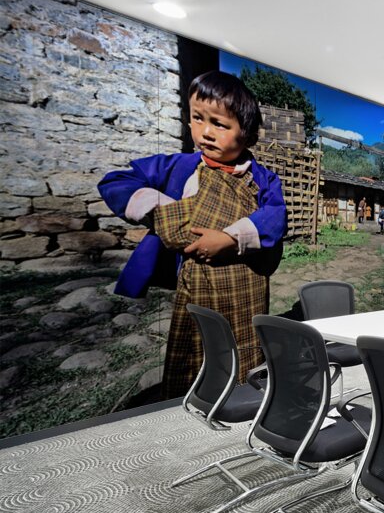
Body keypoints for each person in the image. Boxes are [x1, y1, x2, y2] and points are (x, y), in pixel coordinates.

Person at [98, 70, 287, 399]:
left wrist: (229, 239)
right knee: (196, 343)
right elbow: (116, 182)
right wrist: (165, 213)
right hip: (196, 282)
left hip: (246, 282)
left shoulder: (263, 179)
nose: (206, 133)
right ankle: (191, 400)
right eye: (198, 119)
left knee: (245, 343)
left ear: (247, 134)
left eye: (220, 124)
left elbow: (275, 217)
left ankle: (243, 400)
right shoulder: (177, 167)